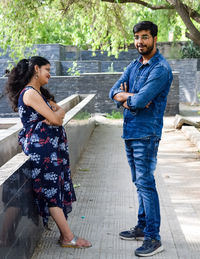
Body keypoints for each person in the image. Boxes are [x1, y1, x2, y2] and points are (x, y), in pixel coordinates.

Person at [5, 56, 91, 248]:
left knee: (52, 189)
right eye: (47, 70)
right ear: (36, 69)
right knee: (50, 191)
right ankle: (68, 237)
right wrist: (53, 118)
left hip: (48, 149)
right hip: (41, 151)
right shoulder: (30, 93)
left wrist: (54, 117)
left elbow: (59, 113)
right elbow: (57, 117)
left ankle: (64, 236)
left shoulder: (39, 93)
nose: (50, 74)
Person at [109, 21, 173, 257]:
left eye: (145, 37)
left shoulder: (160, 69)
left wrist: (127, 99)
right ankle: (142, 226)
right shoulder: (134, 65)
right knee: (139, 182)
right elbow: (113, 92)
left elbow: (138, 100)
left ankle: (154, 238)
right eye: (137, 37)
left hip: (146, 134)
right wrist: (130, 98)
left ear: (155, 38)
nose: (140, 42)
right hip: (130, 131)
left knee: (146, 184)